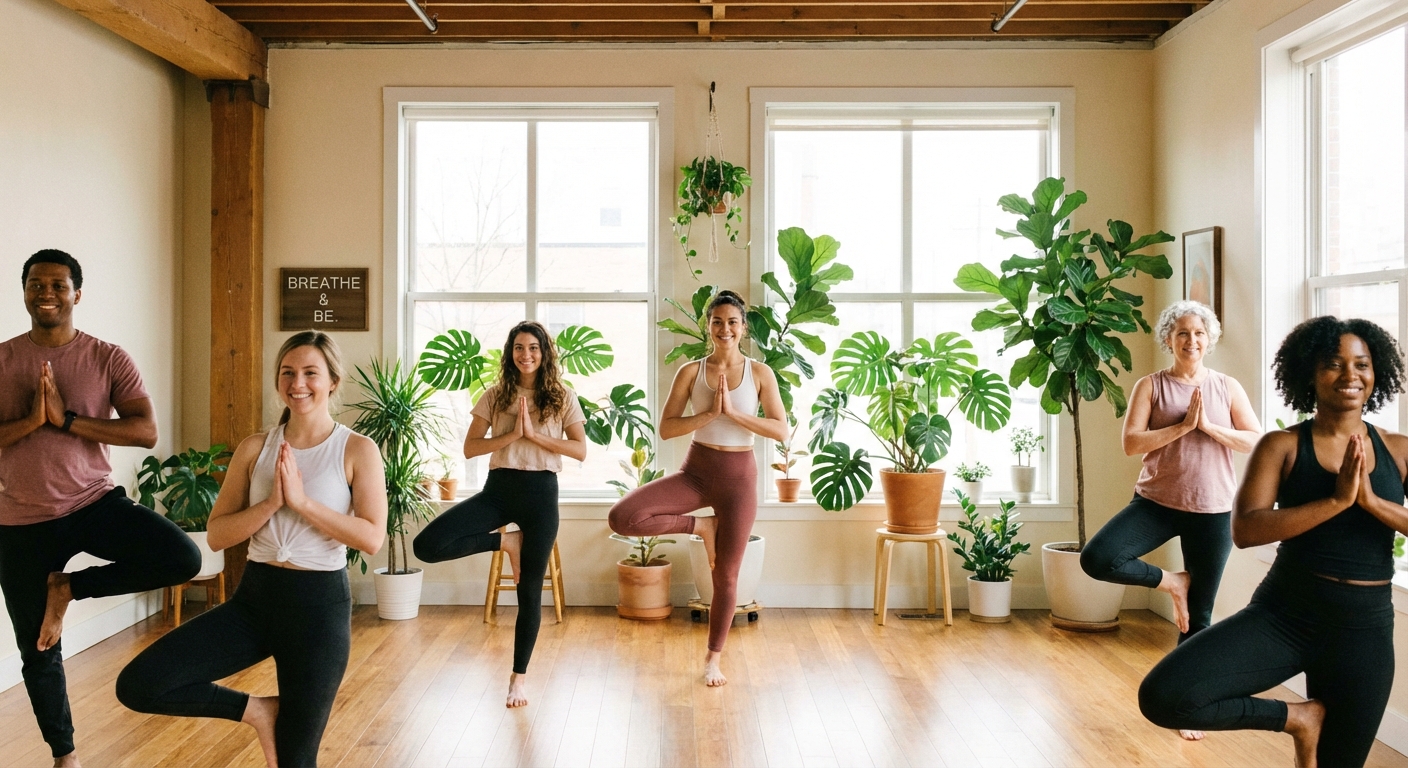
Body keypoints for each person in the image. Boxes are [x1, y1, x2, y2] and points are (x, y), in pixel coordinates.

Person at [1139, 316, 1408, 768]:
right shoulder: (1280, 446)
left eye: (1361, 364)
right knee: (1165, 696)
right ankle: (1300, 719)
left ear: (1376, 371)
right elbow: (1246, 530)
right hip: (1285, 614)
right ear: (1308, 373)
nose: (1349, 375)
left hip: (1364, 630)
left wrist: (1370, 502)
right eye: (1333, 364)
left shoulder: (1399, 450)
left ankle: (1312, 729)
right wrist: (1337, 501)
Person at [116, 331, 387, 768]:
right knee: (140, 684)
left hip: (318, 612)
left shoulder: (356, 449)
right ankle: (260, 711)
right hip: (255, 604)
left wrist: (302, 503)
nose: (298, 383)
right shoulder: (255, 448)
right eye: (288, 372)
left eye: (311, 373)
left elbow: (372, 537)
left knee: (297, 760)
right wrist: (271, 504)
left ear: (333, 381)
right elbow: (219, 534)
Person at [0, 250, 201, 768]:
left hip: (93, 502)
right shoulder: (1, 360)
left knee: (180, 557)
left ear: (77, 295)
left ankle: (67, 588)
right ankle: (65, 758)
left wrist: (66, 420)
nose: (47, 293)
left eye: (58, 285)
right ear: (23, 290)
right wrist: (30, 421)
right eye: (36, 284)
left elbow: (144, 430)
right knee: (38, 651)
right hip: (19, 521)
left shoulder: (107, 357)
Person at [1080, 301, 1261, 739]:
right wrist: (1183, 426)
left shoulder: (1227, 387)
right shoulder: (1152, 386)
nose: (1191, 341)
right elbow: (1131, 443)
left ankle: (1185, 707)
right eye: (1182, 333)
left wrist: (1209, 428)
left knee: (1197, 618)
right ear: (1168, 339)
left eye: (1199, 333)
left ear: (1209, 339)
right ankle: (1171, 582)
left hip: (1213, 509)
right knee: (1098, 558)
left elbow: (1255, 438)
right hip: (1156, 502)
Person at [608, 290, 787, 687]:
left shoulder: (760, 374)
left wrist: (735, 414)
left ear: (743, 328)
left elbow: (780, 429)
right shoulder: (691, 371)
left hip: (739, 479)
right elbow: (668, 427)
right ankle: (699, 527)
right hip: (696, 471)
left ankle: (713, 659)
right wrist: (709, 413)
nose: (725, 329)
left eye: (733, 322)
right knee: (623, 516)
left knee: (727, 576)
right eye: (717, 321)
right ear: (708, 326)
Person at [412, 320, 587, 709]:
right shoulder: (494, 394)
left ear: (545, 353)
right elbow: (471, 448)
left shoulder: (562, 396)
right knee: (427, 545)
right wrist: (513, 435)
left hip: (541, 495)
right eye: (520, 348)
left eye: (534, 348)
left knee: (528, 593)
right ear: (511, 352)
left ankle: (518, 679)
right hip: (498, 491)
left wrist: (535, 435)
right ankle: (505, 541)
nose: (526, 355)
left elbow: (579, 450)